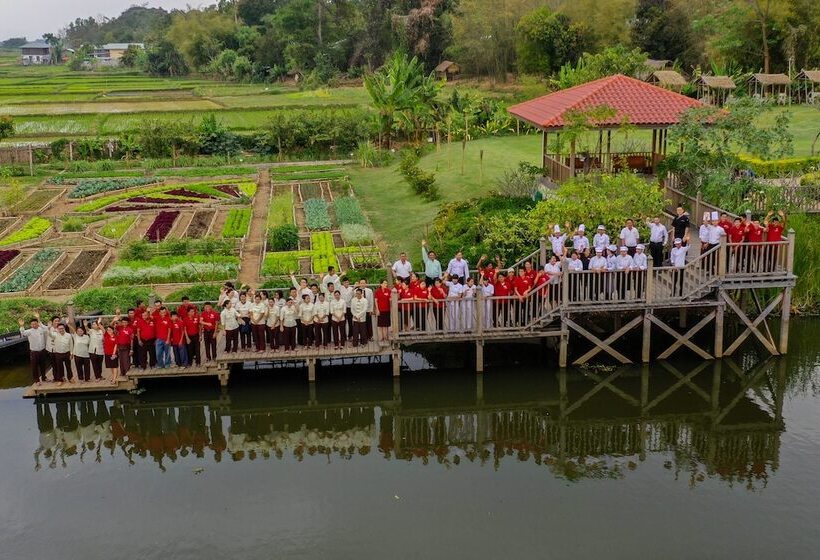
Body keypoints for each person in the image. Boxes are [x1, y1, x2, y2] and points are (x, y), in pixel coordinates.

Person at [19, 313, 49, 384]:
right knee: (34, 367)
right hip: (34, 352)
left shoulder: (41, 329)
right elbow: (23, 333)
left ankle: (44, 377)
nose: (34, 325)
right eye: (32, 324)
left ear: (37, 324)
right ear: (30, 325)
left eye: (35, 324)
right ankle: (37, 380)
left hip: (42, 350)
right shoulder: (29, 331)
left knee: (43, 365)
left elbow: (46, 328)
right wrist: (22, 325)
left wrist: (38, 318)